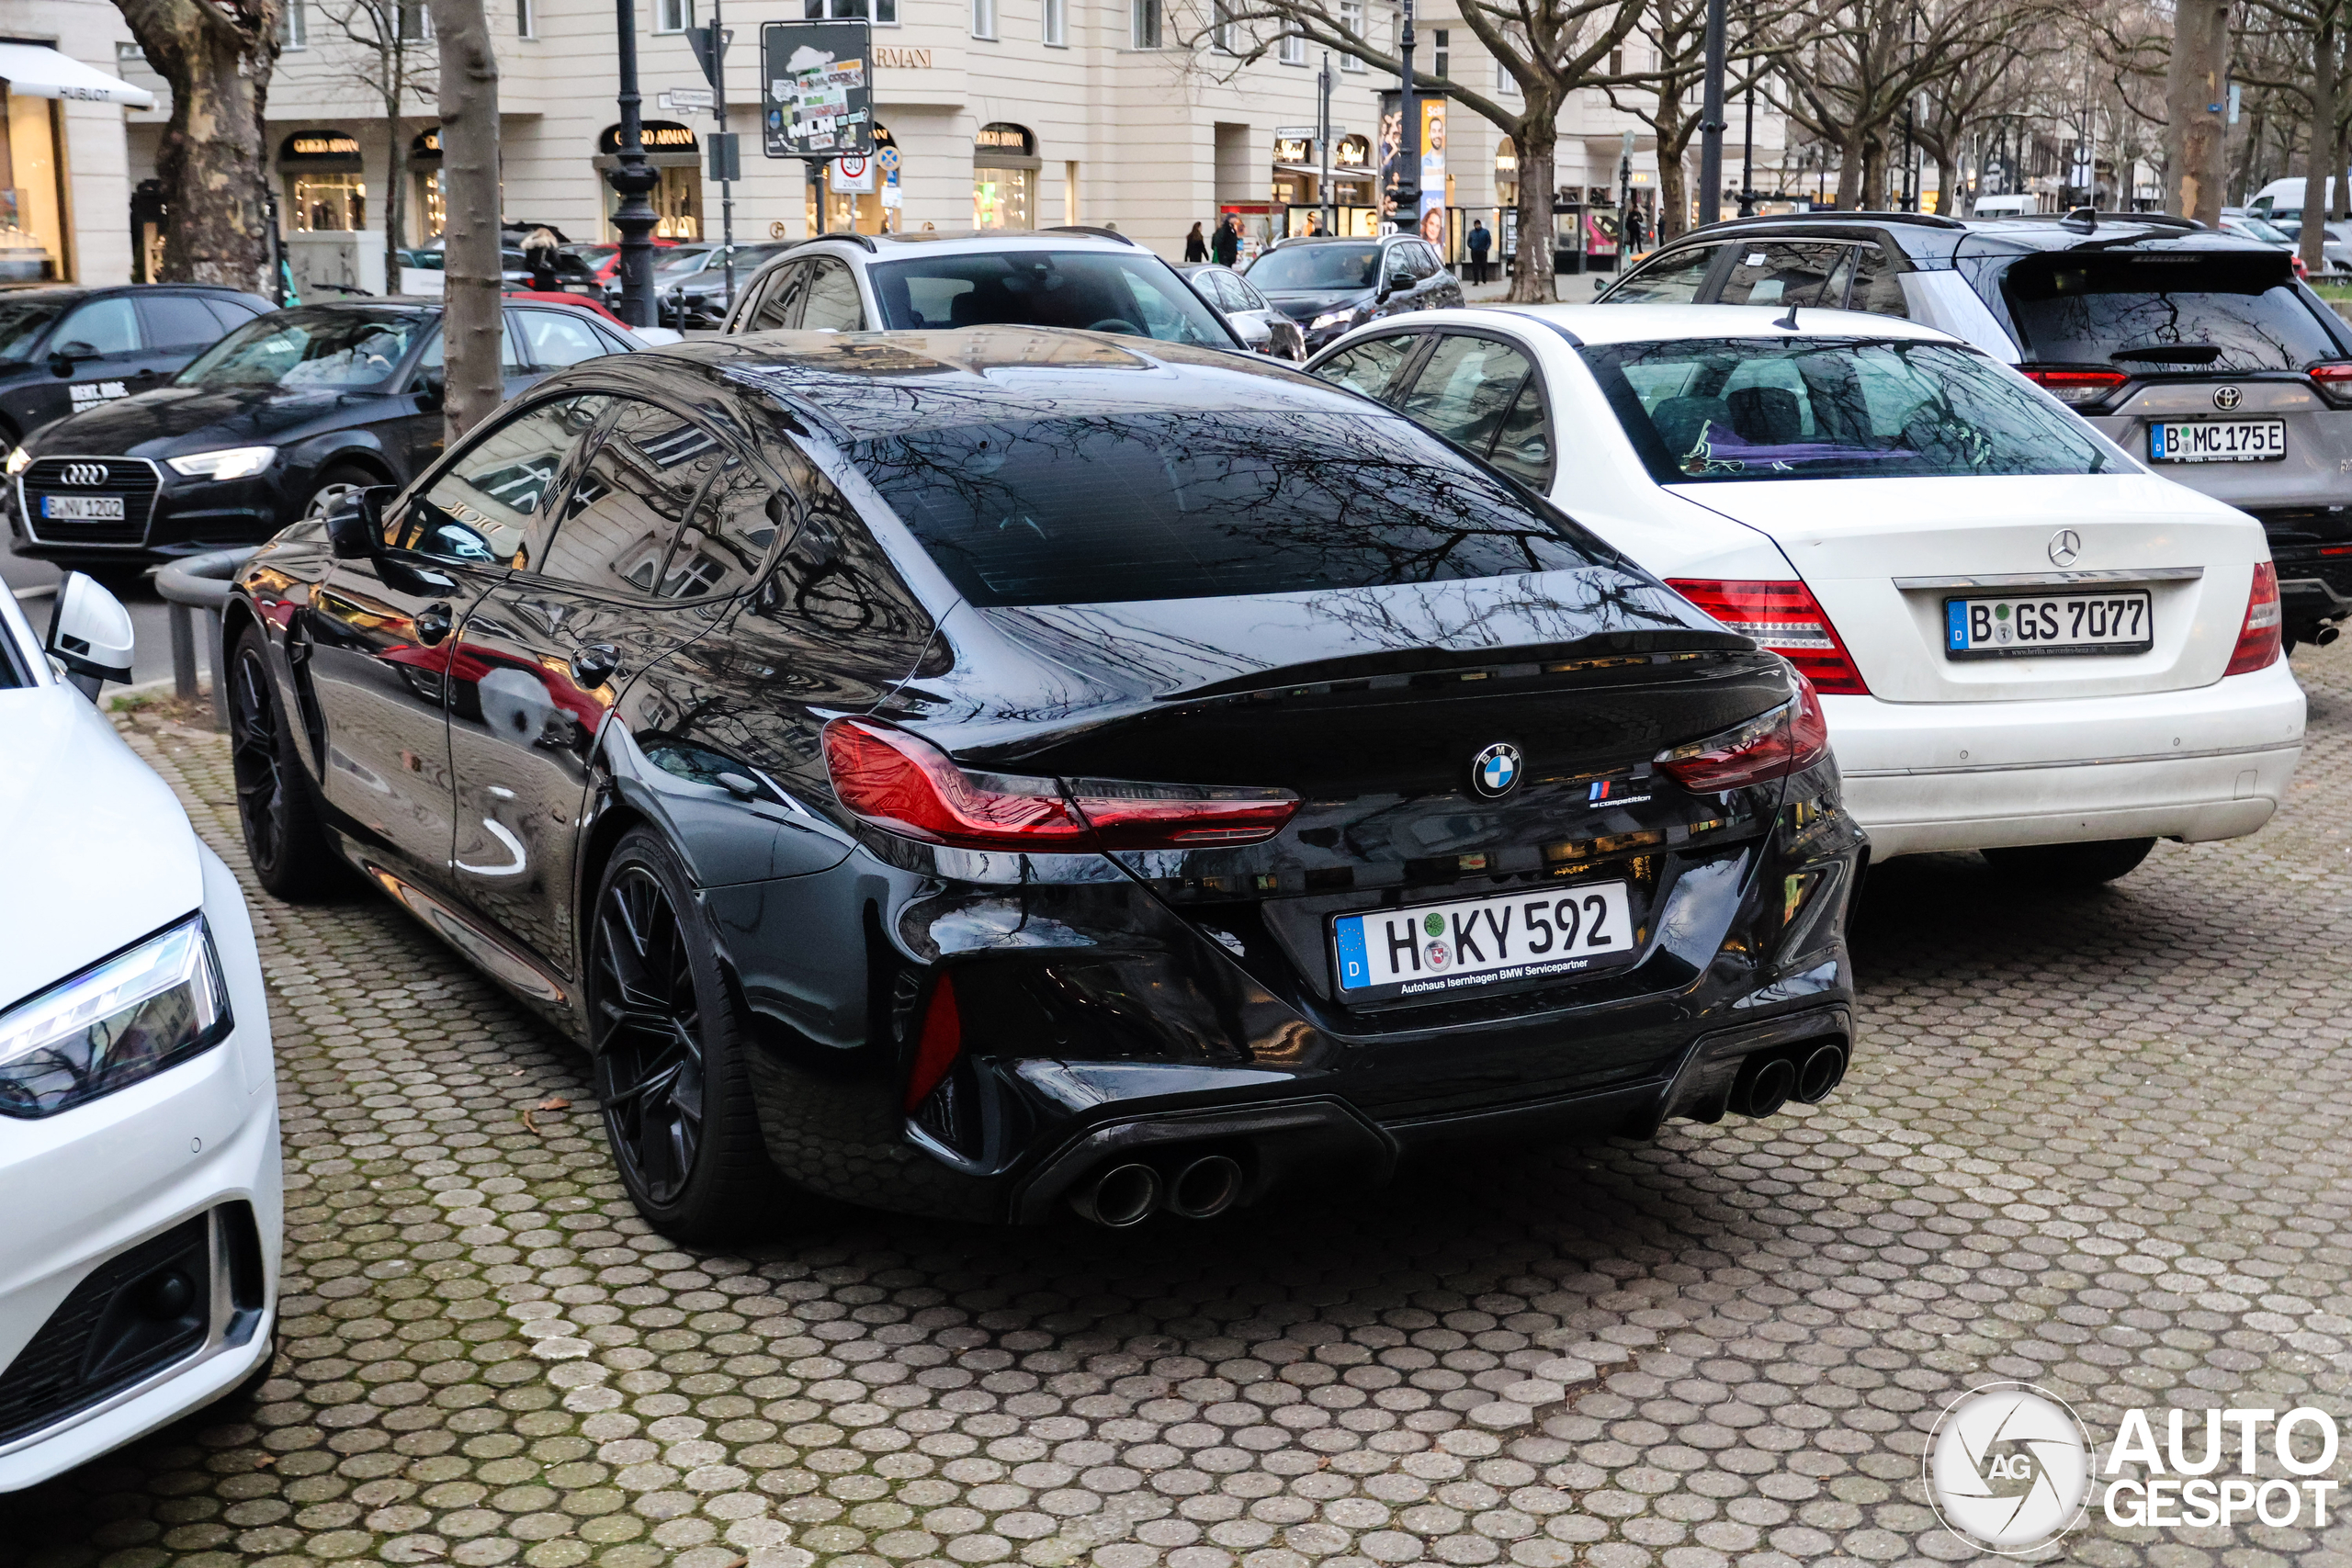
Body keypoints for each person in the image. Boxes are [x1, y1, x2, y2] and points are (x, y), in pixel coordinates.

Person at [522, 226, 561, 291]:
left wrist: (535, 269)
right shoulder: (550, 246)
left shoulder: (531, 247)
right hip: (549, 276)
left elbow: (527, 264)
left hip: (536, 277)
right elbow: (557, 261)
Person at [1467, 219, 1491, 284]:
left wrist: (1486, 248)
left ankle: (1484, 278)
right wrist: (1472, 246)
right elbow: (1469, 241)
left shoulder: (1485, 232)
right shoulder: (1472, 233)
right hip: (1475, 251)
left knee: (1484, 265)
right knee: (1475, 266)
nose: (1477, 226)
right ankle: (1476, 281)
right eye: (1476, 225)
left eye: (1478, 224)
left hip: (1483, 251)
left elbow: (1488, 241)